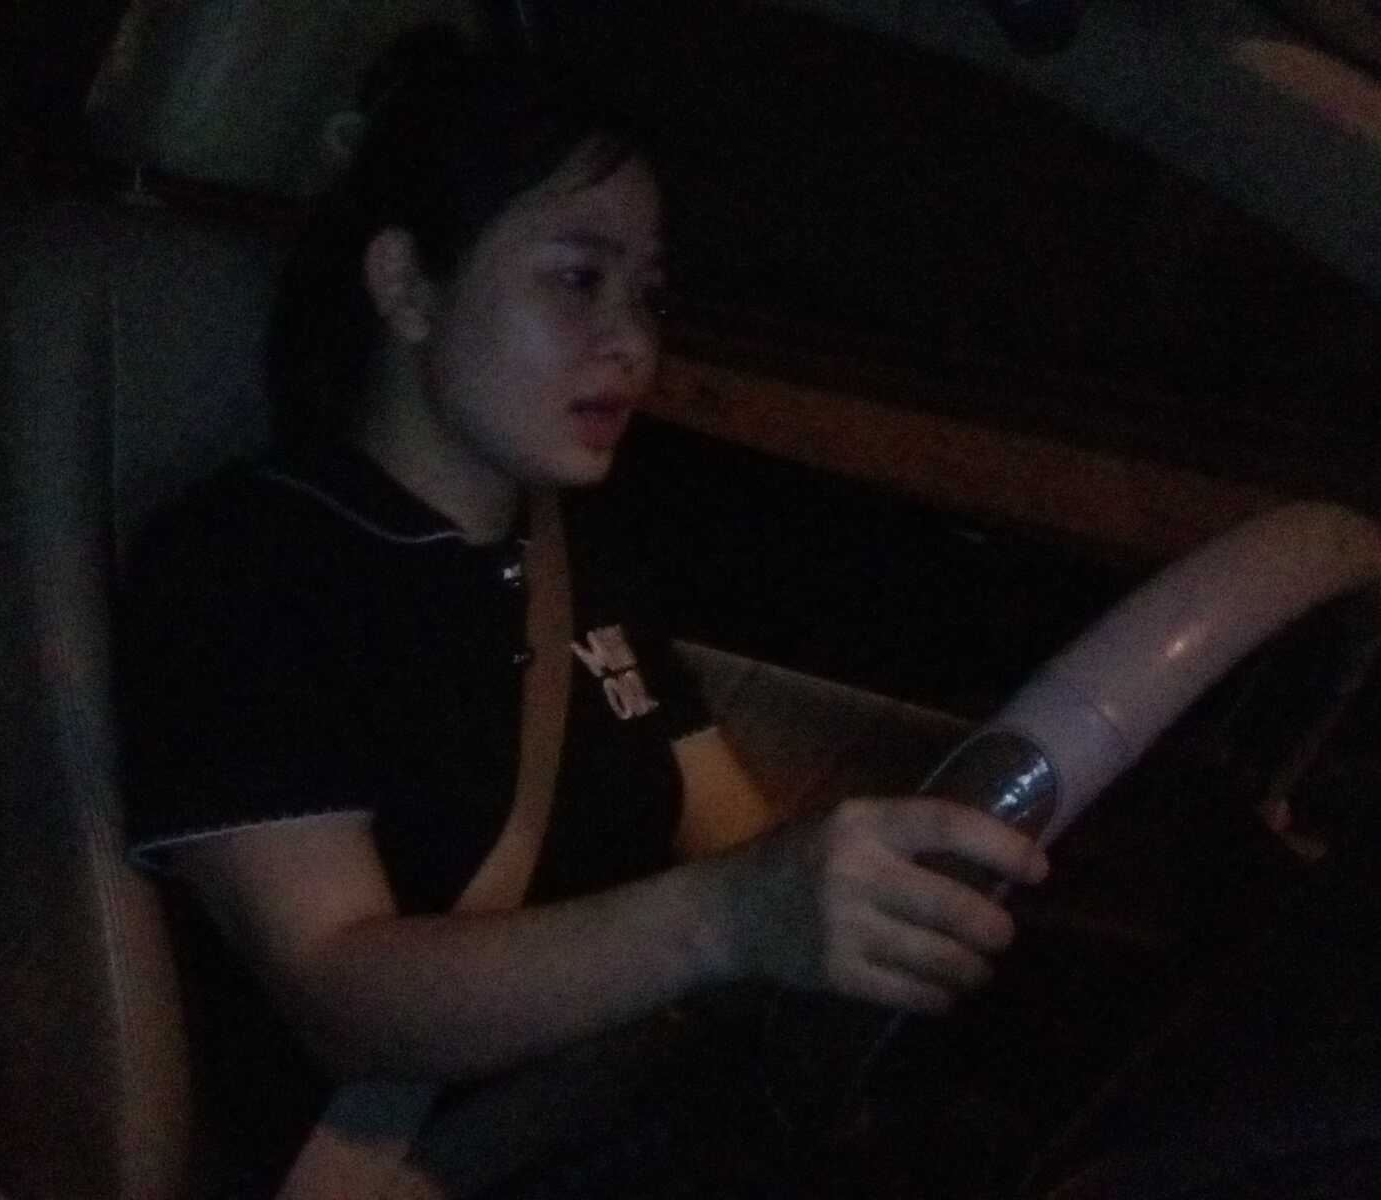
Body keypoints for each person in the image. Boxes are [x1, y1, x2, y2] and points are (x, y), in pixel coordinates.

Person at [121, 26, 1049, 1198]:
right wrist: (728, 919)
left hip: (641, 1125)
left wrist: (857, 900)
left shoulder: (573, 555)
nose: (633, 343)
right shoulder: (247, 567)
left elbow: (729, 835)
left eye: (646, 293)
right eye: (577, 278)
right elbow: (343, 997)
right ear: (406, 284)